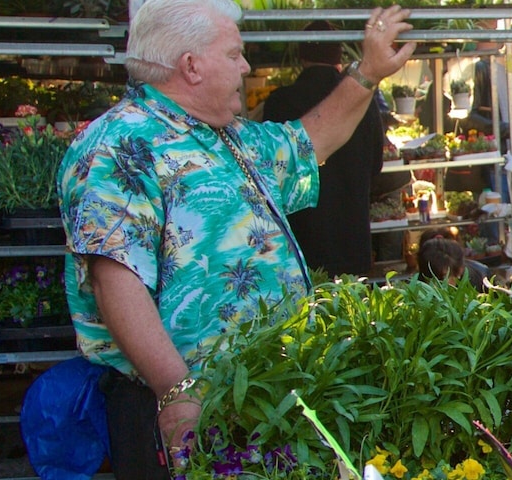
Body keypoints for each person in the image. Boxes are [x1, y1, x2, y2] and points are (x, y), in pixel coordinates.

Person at [60, 1, 414, 476]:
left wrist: (368, 72)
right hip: (180, 408)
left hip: (253, 396)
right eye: (234, 55)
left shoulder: (228, 137)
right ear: (191, 65)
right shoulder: (121, 144)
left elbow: (312, 141)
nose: (246, 67)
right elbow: (115, 280)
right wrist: (176, 391)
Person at [261, 21, 387, 279]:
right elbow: (376, 165)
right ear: (339, 56)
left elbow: (270, 174)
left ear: (300, 56)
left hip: (302, 243)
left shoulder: (279, 102)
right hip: (353, 239)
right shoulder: (363, 100)